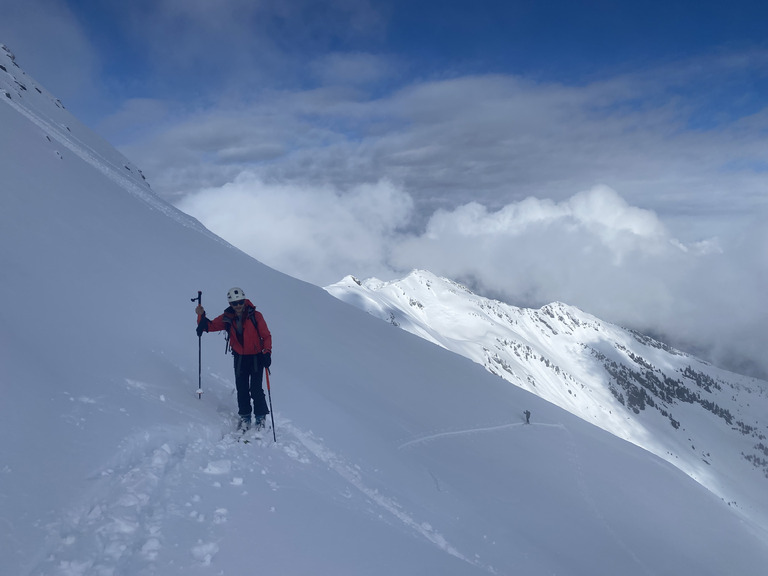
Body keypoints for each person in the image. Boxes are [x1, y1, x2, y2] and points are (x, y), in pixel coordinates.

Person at [196, 287, 273, 430]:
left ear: (244, 301)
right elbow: (209, 326)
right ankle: (245, 416)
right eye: (234, 303)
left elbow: (266, 336)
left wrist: (267, 353)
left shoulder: (256, 316)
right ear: (230, 304)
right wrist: (201, 316)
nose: (238, 306)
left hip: (256, 357)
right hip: (240, 358)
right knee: (242, 388)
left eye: (240, 302)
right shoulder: (227, 317)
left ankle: (260, 416)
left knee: (255, 388)